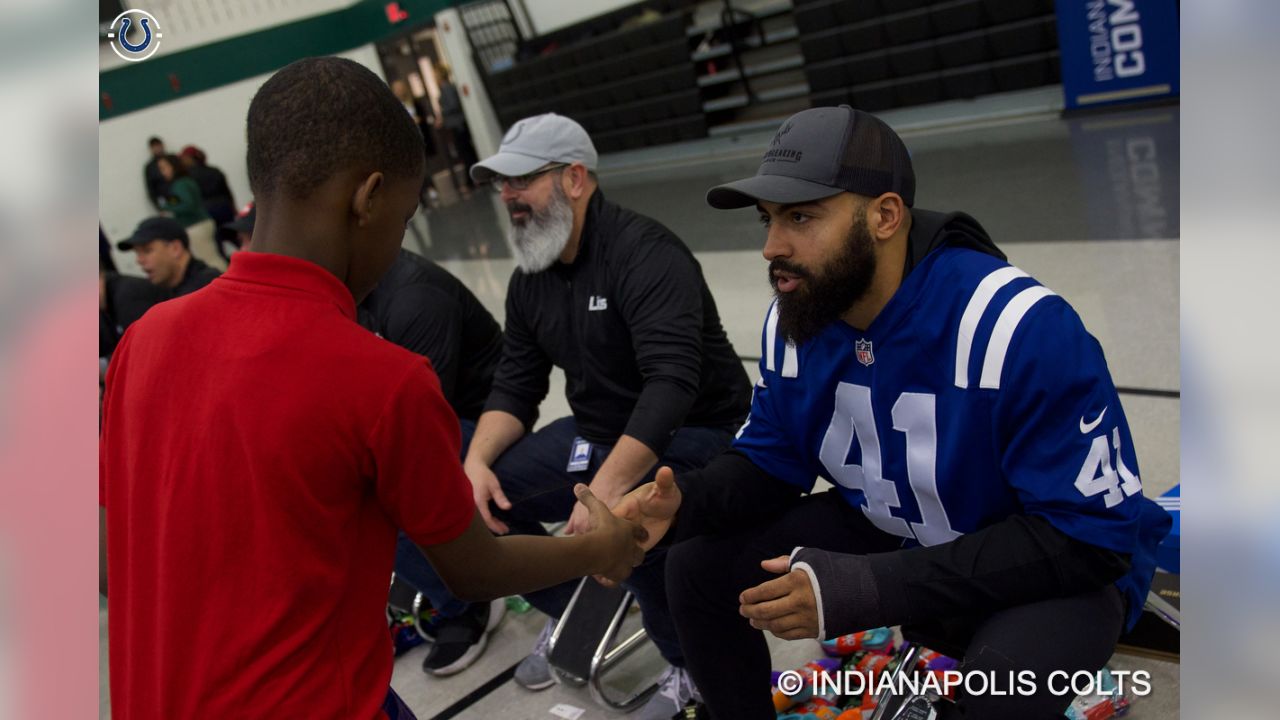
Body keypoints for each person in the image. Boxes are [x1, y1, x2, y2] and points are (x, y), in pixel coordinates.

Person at [99, 56, 647, 720]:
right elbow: (473, 570)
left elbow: (115, 557)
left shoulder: (144, 339)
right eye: (405, 215)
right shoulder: (377, 377)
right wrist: (602, 546)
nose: (400, 242)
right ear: (368, 197)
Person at [610, 105, 1173, 720]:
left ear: (885, 215)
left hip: (1041, 566)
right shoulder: (795, 317)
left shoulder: (1014, 326)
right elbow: (774, 458)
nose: (773, 246)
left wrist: (871, 588)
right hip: (898, 525)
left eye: (802, 216)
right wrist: (684, 503)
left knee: (995, 701)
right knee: (694, 566)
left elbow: (1088, 540)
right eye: (767, 219)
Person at [462, 112, 752, 718]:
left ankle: (688, 667)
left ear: (575, 178)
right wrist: (475, 462)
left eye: (522, 180)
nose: (509, 197)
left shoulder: (645, 253)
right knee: (483, 503)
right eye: (502, 184)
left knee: (625, 517)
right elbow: (516, 386)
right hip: (596, 434)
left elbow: (671, 385)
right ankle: (578, 607)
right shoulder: (530, 281)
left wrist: (604, 491)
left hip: (700, 429)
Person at [358, 248, 507, 676]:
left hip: (481, 421)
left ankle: (468, 600)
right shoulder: (349, 290)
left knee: (375, 490)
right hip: (425, 415)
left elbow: (424, 419)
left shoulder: (413, 297)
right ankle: (426, 572)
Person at [114, 217, 220, 296]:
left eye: (147, 251)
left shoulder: (207, 288)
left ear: (175, 249)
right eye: (137, 253)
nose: (139, 260)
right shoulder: (169, 291)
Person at [155, 153, 226, 271]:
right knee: (212, 258)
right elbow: (179, 201)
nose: (162, 172)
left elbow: (188, 205)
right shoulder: (183, 182)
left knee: (210, 261)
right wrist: (169, 205)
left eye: (164, 168)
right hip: (200, 224)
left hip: (196, 226)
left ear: (173, 166)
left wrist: (168, 209)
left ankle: (228, 286)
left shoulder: (180, 184)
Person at [179, 145, 238, 247]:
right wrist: (233, 208)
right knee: (236, 238)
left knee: (216, 244)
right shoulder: (214, 171)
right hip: (224, 208)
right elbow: (227, 192)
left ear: (189, 158)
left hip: (207, 212)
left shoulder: (186, 178)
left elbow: (190, 200)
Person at [434, 64, 478, 193]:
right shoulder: (447, 87)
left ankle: (470, 180)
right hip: (456, 123)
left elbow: (453, 105)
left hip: (457, 124)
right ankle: (472, 179)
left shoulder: (446, 88)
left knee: (464, 152)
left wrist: (443, 114)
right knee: (466, 151)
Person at [143, 136, 168, 210]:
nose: (157, 148)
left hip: (179, 194)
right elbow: (150, 189)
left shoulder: (172, 159)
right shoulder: (150, 167)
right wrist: (158, 207)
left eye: (158, 145)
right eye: (154, 147)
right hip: (165, 199)